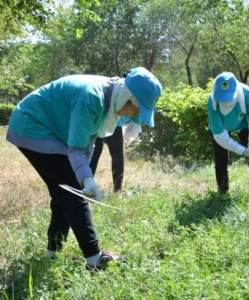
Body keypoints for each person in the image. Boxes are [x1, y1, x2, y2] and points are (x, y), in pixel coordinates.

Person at [6, 67, 162, 269]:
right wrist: (86, 180)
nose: (134, 116)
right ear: (127, 97)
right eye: (137, 110)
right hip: (33, 126)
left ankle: (52, 253)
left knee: (63, 192)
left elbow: (88, 141)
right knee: (71, 192)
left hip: (52, 129)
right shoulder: (92, 98)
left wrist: (85, 176)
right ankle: (94, 258)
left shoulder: (109, 96)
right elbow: (77, 149)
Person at [207, 72, 249, 193]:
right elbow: (220, 136)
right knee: (220, 161)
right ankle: (223, 192)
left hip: (243, 124)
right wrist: (243, 151)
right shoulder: (211, 102)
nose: (225, 102)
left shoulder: (248, 94)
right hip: (221, 129)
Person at [90, 114, 142, 192]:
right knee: (116, 156)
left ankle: (85, 184)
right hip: (113, 122)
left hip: (99, 120)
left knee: (94, 153)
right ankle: (117, 189)